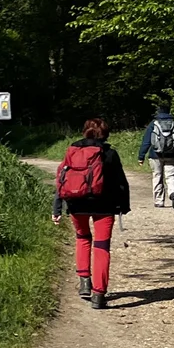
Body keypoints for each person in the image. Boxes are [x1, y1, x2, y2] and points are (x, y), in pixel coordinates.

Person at [53, 116, 131, 310]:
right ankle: (98, 294)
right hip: (104, 207)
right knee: (102, 247)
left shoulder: (72, 151)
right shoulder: (109, 153)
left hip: (75, 203)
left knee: (82, 238)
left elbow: (61, 178)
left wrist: (57, 207)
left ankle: (84, 281)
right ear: (105, 133)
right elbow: (120, 182)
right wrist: (123, 206)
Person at [138, 104, 174, 209]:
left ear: (158, 112)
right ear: (169, 111)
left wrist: (141, 156)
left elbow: (146, 141)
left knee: (157, 176)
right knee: (171, 176)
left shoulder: (153, 124)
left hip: (156, 155)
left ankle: (159, 201)